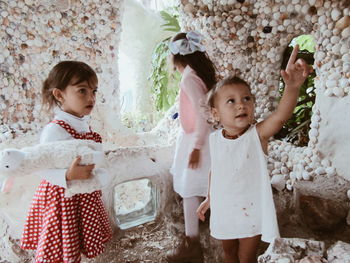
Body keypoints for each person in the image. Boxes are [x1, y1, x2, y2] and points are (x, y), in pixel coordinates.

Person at [197, 45, 311, 263]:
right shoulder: (214, 139)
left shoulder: (257, 134)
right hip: (224, 207)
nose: (241, 105)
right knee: (228, 251)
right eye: (231, 101)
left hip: (251, 210)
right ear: (215, 113)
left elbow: (280, 116)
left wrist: (292, 88)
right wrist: (210, 197)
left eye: (246, 98)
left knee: (246, 257)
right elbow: (216, 170)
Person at [21, 61, 112, 263]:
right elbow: (39, 165)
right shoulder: (54, 130)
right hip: (62, 201)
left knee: (76, 245)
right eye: (82, 91)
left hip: (82, 198)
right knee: (62, 249)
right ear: (60, 95)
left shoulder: (82, 124)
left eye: (94, 91)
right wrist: (67, 175)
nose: (91, 98)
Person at [167, 31, 217, 263]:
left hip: (199, 139)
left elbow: (202, 113)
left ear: (176, 58)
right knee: (195, 188)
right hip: (198, 137)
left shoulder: (188, 78)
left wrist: (196, 146)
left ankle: (192, 244)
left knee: (190, 189)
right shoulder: (195, 75)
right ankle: (192, 240)